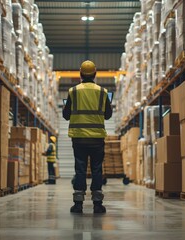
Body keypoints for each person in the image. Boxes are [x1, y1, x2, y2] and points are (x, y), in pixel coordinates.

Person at [63, 60, 113, 214]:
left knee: (80, 169)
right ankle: (97, 205)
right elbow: (108, 115)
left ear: (80, 74)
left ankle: (78, 205)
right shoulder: (103, 92)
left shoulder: (73, 91)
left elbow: (65, 115)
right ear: (95, 74)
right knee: (97, 170)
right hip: (97, 139)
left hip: (79, 139)